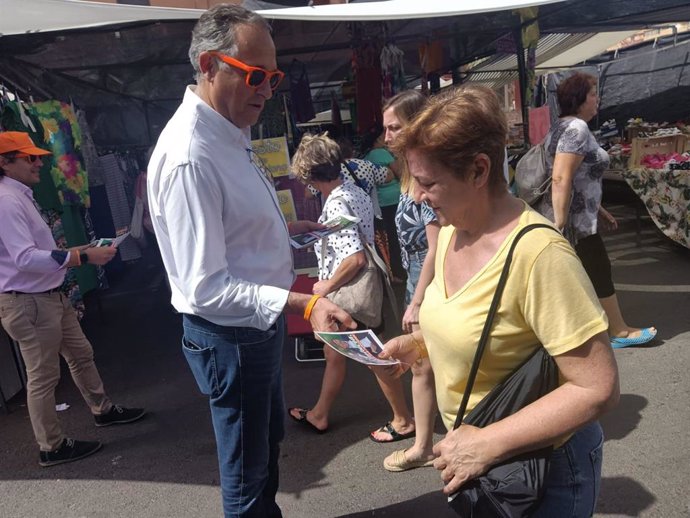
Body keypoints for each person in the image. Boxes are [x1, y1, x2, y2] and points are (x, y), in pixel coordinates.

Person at [146, 6, 353, 518]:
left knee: (263, 445)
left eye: (273, 76)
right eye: (256, 75)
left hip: (253, 328)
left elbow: (229, 233)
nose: (267, 88)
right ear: (210, 65)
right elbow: (206, 286)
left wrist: (281, 232)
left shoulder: (225, 130)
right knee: (245, 471)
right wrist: (305, 304)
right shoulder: (191, 155)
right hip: (232, 334)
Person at [380, 85, 620, 516]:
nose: (417, 195)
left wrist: (487, 443)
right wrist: (419, 345)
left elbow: (597, 387)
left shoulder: (539, 254)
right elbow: (484, 330)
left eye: (428, 182)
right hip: (482, 455)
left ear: (478, 170)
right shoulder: (453, 230)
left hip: (542, 468)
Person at [0, 131, 146, 468]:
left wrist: (81, 252)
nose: (39, 162)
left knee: (81, 355)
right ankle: (51, 446)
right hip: (31, 302)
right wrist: (82, 258)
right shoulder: (8, 200)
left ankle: (103, 410)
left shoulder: (17, 195)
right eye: (29, 157)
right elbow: (25, 258)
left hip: (46, 297)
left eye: (38, 156)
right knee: (44, 377)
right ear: (5, 162)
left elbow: (35, 254)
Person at [287, 133, 414, 442]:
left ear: (310, 176)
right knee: (338, 354)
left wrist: (324, 286)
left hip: (349, 292)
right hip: (363, 288)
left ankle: (403, 420)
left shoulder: (337, 201)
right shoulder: (353, 190)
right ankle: (320, 414)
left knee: (373, 356)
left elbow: (355, 258)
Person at [535, 72, 656, 348]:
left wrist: (599, 209)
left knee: (579, 275)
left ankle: (575, 331)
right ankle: (619, 331)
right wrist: (561, 220)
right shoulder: (576, 128)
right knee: (597, 269)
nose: (597, 99)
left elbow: (577, 177)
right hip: (574, 222)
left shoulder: (560, 126)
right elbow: (561, 177)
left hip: (578, 216)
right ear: (578, 99)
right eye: (592, 94)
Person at [378, 91, 439, 472]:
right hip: (417, 276)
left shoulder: (426, 176)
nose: (386, 137)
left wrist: (416, 300)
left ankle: (422, 445)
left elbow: (437, 248)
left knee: (421, 364)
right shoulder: (406, 172)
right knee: (426, 362)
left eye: (394, 127)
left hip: (427, 278)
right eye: (385, 128)